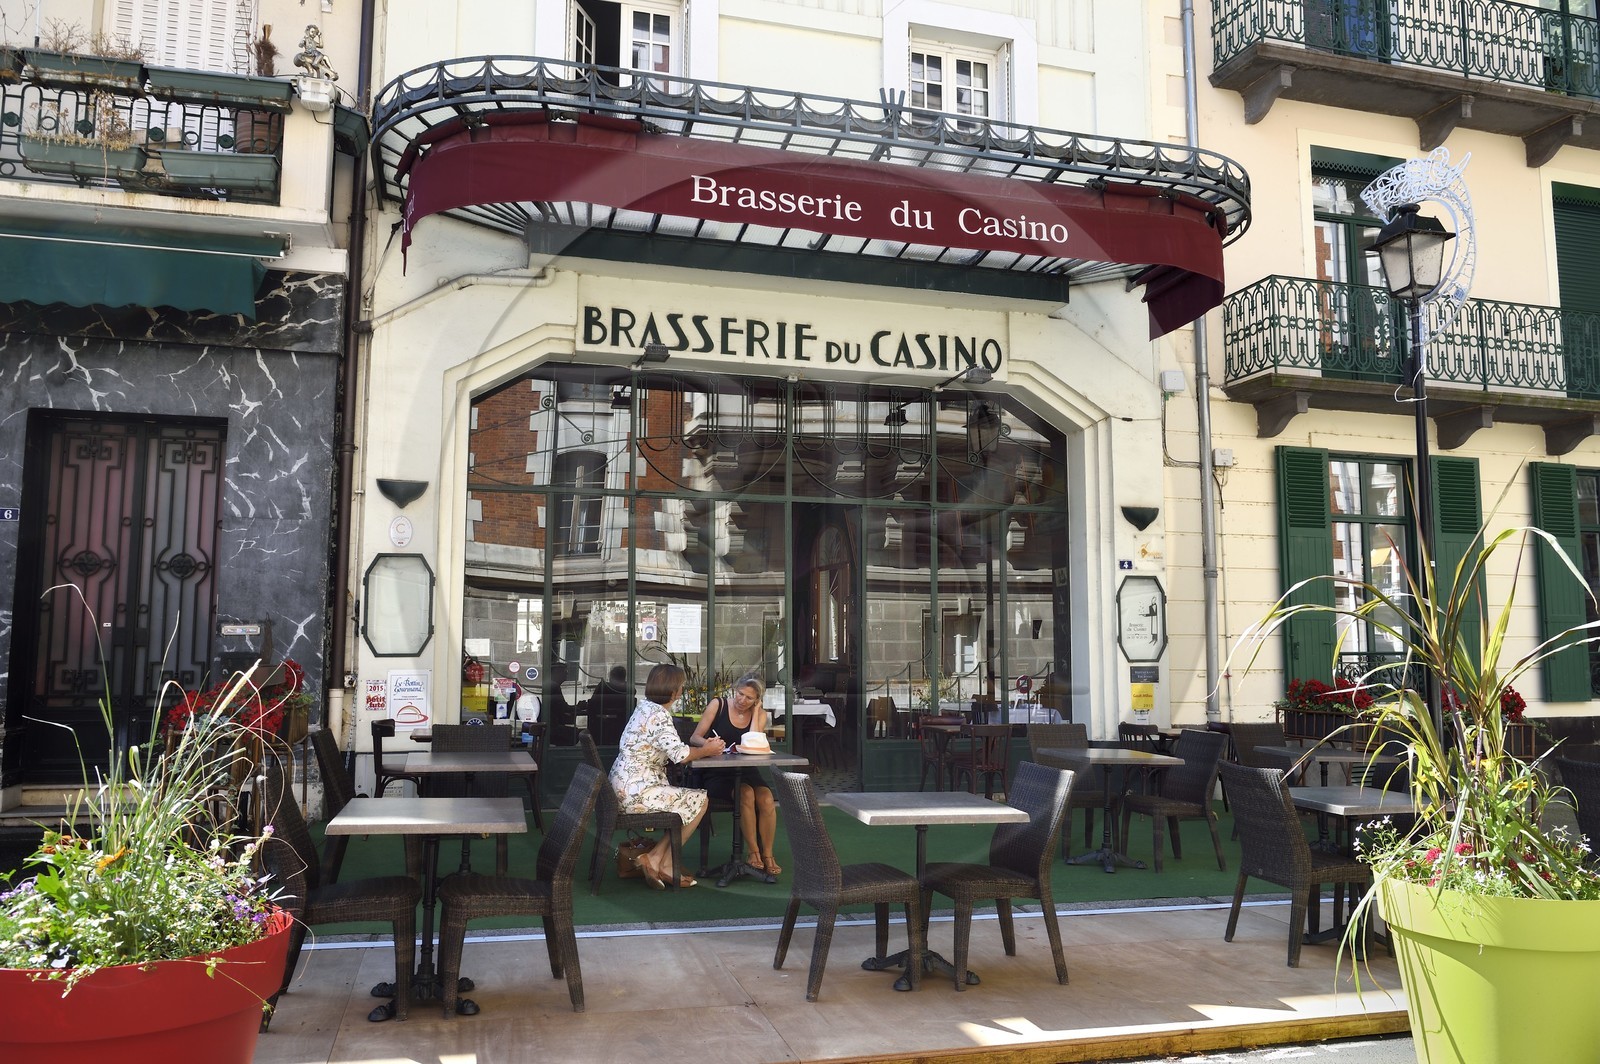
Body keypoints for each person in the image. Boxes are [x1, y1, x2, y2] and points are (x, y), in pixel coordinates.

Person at [609, 663, 727, 889]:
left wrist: (703, 749)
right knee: (700, 801)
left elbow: (672, 747)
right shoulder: (659, 716)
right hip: (637, 793)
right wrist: (708, 750)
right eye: (681, 685)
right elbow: (681, 756)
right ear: (675, 691)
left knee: (689, 800)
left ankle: (655, 859)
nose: (683, 688)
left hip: (623, 788)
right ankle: (664, 863)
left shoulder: (645, 708)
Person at [689, 672, 781, 876]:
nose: (742, 700)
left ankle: (768, 854)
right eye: (740, 694)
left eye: (749, 698)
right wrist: (709, 745)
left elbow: (754, 742)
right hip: (716, 771)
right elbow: (695, 737)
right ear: (735, 690)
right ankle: (753, 853)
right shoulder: (718, 705)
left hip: (746, 769)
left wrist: (755, 712)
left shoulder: (760, 714)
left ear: (757, 700)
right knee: (745, 793)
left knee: (766, 798)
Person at [586, 665, 632, 745]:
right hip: (621, 728)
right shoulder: (628, 691)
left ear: (612, 677)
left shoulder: (603, 688)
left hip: (601, 728)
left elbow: (592, 705)